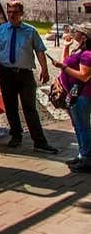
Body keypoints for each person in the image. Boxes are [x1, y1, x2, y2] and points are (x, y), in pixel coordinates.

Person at [0, 0, 59, 153]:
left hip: (25, 73)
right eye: (9, 12)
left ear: (21, 13)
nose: (12, 15)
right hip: (6, 72)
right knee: (10, 106)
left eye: (15, 12)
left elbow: (39, 51)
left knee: (30, 107)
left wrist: (44, 70)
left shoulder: (30, 31)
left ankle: (39, 141)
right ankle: (16, 135)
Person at [51, 22, 91, 173]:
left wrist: (63, 68)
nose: (75, 33)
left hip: (82, 95)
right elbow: (66, 62)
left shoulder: (88, 54)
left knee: (83, 126)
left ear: (84, 36)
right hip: (74, 94)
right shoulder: (80, 51)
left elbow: (84, 76)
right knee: (78, 126)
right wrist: (66, 46)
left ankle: (87, 157)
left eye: (78, 31)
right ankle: (82, 155)